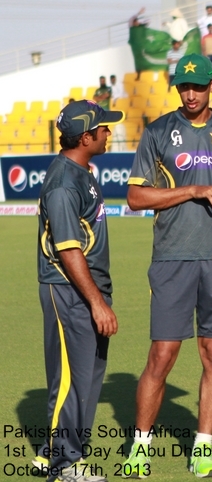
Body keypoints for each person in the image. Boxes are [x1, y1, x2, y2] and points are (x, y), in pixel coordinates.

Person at [120, 54, 212, 478]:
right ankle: (140, 447)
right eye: (183, 87)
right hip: (172, 256)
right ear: (177, 87)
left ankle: (203, 447)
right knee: (163, 354)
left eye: (197, 86)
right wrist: (194, 190)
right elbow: (136, 197)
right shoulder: (159, 131)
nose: (191, 93)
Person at [34, 101, 123, 482]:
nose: (109, 132)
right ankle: (64, 465)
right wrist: (97, 303)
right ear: (86, 137)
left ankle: (56, 451)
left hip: (84, 291)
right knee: (72, 378)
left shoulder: (81, 171)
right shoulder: (64, 183)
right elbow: (69, 250)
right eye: (104, 128)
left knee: (85, 377)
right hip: (70, 292)